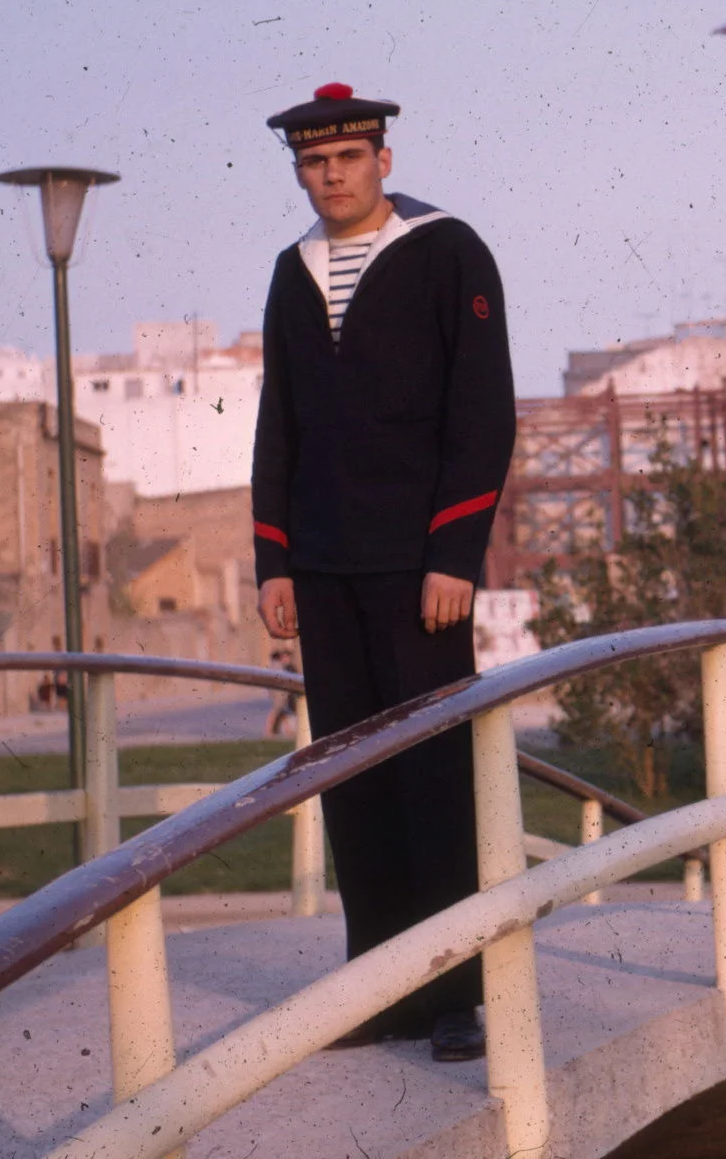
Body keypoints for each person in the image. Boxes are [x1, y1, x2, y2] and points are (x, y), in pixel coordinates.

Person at [253, 82, 515, 1062]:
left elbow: (483, 413)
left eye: (347, 159)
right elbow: (279, 419)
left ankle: (453, 993)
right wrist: (271, 557)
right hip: (322, 566)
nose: (330, 176)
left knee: (433, 772)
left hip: (418, 569)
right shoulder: (292, 270)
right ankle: (382, 988)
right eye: (313, 163)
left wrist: (454, 553)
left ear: (381, 160)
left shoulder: (448, 250)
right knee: (352, 778)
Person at [266, 642, 301, 738]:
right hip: (280, 694)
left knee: (283, 711)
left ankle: (287, 730)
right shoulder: (278, 666)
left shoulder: (283, 666)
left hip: (283, 693)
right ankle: (268, 731)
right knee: (277, 711)